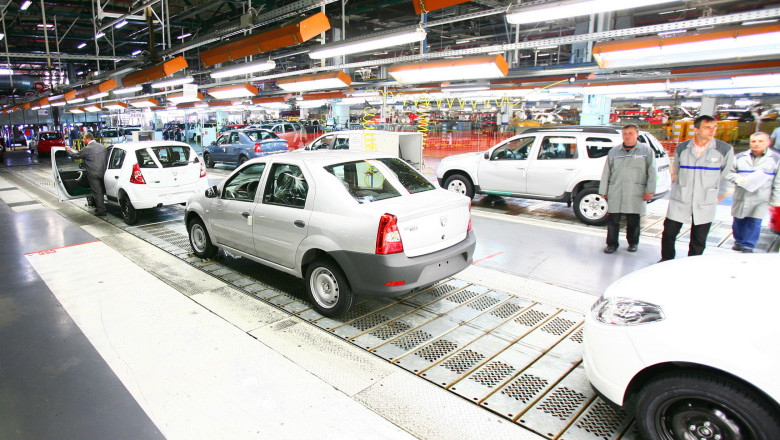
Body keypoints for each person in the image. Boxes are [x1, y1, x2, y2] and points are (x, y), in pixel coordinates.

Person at [660, 115, 735, 261]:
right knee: (669, 233)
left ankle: (693, 263)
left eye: (714, 127)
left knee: (699, 238)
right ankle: (666, 260)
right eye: (707, 127)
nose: (712, 130)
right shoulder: (682, 148)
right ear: (696, 129)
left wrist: (707, 185)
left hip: (705, 199)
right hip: (681, 197)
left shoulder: (724, 149)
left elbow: (724, 173)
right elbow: (678, 170)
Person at [599, 124, 657, 254]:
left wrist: (650, 190)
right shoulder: (614, 151)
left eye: (630, 133)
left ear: (637, 134)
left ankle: (633, 242)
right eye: (625, 133)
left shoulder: (646, 151)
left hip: (635, 191)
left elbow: (652, 172)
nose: (627, 136)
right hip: (616, 191)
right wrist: (603, 191)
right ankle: (612, 244)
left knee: (633, 219)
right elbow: (606, 172)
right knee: (613, 220)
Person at [725, 132, 780, 252]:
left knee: (754, 221)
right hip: (742, 194)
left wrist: (776, 200)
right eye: (753, 141)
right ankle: (738, 241)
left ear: (768, 142)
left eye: (760, 141)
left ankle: (748, 245)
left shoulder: (775, 159)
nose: (756, 144)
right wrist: (737, 179)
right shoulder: (740, 157)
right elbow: (728, 172)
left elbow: (778, 181)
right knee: (739, 220)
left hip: (761, 196)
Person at [65, 132, 108, 217]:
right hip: (104, 172)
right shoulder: (102, 147)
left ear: (88, 139)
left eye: (84, 139)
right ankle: (101, 206)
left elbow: (76, 155)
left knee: (97, 192)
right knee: (103, 190)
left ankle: (101, 211)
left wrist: (68, 150)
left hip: (93, 174)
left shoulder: (87, 149)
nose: (83, 140)